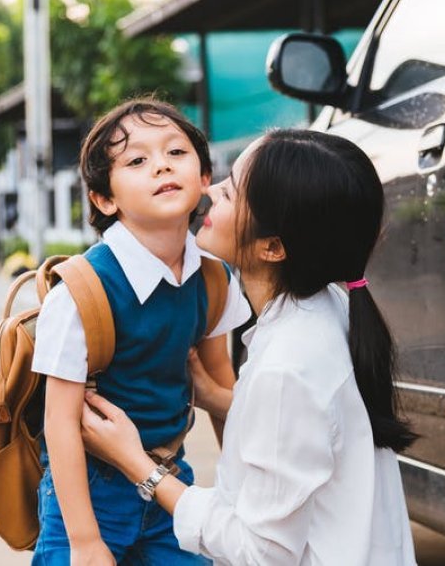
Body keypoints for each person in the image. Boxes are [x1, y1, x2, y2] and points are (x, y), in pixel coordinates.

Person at [81, 129, 419, 565]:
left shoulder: (289, 364)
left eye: (233, 191)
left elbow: (262, 552)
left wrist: (136, 465)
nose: (214, 188)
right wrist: (215, 398)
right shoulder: (329, 308)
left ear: (273, 247)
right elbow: (308, 433)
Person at [30, 97, 252, 565]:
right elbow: (61, 425)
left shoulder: (214, 279)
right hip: (90, 493)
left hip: (172, 482)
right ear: (104, 198)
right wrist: (86, 542)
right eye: (136, 160)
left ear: (205, 177)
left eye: (176, 153)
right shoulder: (81, 291)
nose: (160, 167)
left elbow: (220, 391)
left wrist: (242, 494)